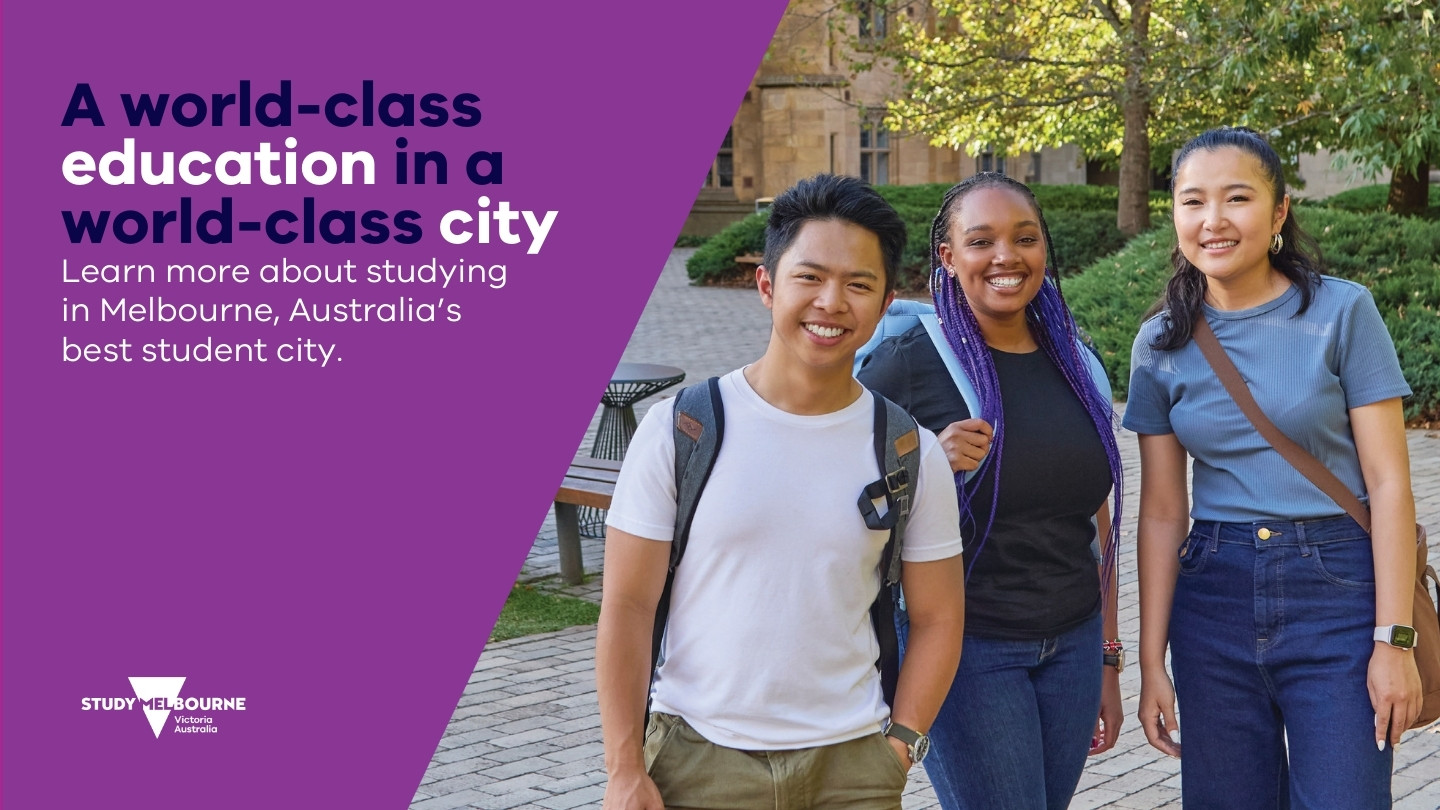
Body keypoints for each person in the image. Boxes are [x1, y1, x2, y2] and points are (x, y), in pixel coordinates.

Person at [596, 174, 967, 810]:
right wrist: (624, 768)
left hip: (852, 769)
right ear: (767, 286)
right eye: (810, 277)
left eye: (859, 284)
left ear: (884, 307)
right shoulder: (681, 430)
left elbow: (938, 618)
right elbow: (628, 606)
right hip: (697, 762)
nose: (832, 302)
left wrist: (899, 747)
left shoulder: (909, 448)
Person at [1125, 127, 1423, 808]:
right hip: (1213, 599)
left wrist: (1394, 640)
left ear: (1280, 211)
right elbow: (1165, 511)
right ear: (1174, 215)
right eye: (1193, 201)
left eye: (1237, 199)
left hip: (1339, 592)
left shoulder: (1342, 311)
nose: (1213, 221)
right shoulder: (1160, 343)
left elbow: (1389, 484)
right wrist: (1151, 662)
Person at [858, 172, 1127, 810]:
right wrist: (928, 466)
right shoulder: (905, 361)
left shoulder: (1075, 362)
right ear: (948, 259)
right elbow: (842, 507)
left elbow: (1099, 523)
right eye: (981, 241)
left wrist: (1109, 659)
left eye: (1024, 238)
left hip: (1073, 646)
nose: (1006, 256)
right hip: (967, 649)